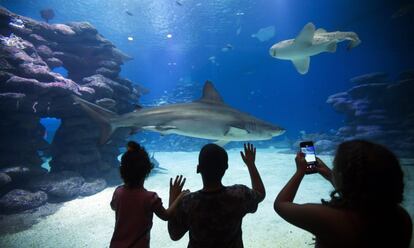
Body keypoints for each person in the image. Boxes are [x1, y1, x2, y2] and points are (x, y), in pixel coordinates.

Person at [274, 140, 412, 248]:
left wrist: (300, 172)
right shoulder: (401, 217)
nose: (333, 170)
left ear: (344, 177)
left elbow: (281, 204)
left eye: (335, 167)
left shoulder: (328, 217)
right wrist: (330, 174)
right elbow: (359, 192)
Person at [168, 143, 266, 248]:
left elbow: (174, 234)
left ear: (198, 169)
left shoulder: (188, 202)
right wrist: (251, 164)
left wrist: (173, 198)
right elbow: (260, 193)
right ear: (226, 168)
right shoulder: (239, 194)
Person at [110, 141, 188, 248]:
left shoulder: (118, 192)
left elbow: (113, 206)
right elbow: (166, 216)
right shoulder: (150, 198)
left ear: (122, 171)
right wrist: (179, 196)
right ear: (147, 171)